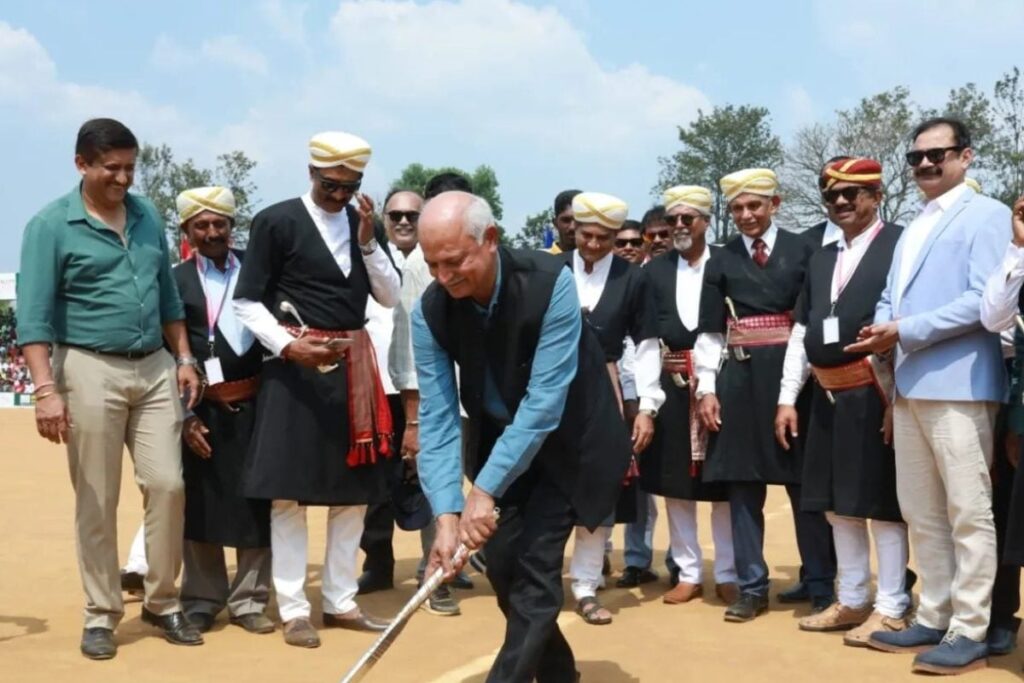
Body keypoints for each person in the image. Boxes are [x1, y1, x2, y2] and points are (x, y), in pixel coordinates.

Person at [415, 191, 632, 682]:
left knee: (534, 569)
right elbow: (439, 417)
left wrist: (485, 492)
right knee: (504, 567)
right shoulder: (429, 311)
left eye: (454, 262)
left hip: (571, 443)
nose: (443, 277)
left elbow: (543, 404)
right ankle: (559, 674)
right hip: (501, 447)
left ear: (489, 240)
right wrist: (447, 513)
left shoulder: (549, 282)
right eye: (432, 265)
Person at [16, 118, 204, 658]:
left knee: (168, 485)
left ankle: (163, 601)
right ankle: (101, 613)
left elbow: (169, 298)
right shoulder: (50, 226)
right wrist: (46, 390)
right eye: (111, 169)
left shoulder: (147, 216)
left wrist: (184, 357)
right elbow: (33, 319)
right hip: (87, 367)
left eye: (130, 168)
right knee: (97, 498)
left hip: (153, 367)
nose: (123, 179)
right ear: (82, 164)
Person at [849, 117, 1009, 674]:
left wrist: (905, 330)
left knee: (968, 509)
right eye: (915, 157)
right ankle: (935, 614)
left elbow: (984, 302)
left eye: (935, 155)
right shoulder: (913, 224)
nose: (923, 165)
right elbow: (891, 295)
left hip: (961, 383)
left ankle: (972, 627)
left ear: (965, 157)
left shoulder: (986, 215)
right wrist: (882, 330)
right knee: (920, 510)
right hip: (911, 382)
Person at [232, 131, 400, 648]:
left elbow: (389, 295)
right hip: (296, 369)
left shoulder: (361, 223)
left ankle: (341, 601)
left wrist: (370, 241)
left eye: (351, 187)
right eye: (331, 185)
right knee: (290, 495)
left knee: (351, 496)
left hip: (353, 365)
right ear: (311, 173)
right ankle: (293, 608)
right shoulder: (276, 221)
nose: (341, 196)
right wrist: (287, 347)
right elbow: (247, 302)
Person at [774, 158, 911, 644]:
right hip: (827, 395)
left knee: (882, 503)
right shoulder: (821, 256)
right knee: (836, 504)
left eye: (852, 193)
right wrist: (788, 398)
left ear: (876, 194)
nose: (841, 203)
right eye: (832, 196)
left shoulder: (900, 244)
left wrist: (899, 399)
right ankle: (851, 599)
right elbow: (802, 330)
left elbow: (908, 323)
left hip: (878, 390)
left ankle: (892, 606)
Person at [694, 168, 836, 622]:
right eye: (737, 208)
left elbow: (812, 320)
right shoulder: (720, 260)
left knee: (804, 488)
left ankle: (819, 583)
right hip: (738, 382)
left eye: (755, 205)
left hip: (796, 384)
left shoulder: (806, 250)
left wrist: (794, 388)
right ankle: (752, 587)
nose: (746, 215)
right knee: (741, 487)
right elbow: (711, 333)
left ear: (775, 204)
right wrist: (707, 389)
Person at [172, 187, 274, 635]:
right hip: (201, 409)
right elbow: (166, 352)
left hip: (258, 404)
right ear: (187, 232)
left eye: (220, 224)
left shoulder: (259, 269)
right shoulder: (174, 279)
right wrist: (184, 416)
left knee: (257, 502)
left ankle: (250, 600)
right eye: (202, 225)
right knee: (200, 504)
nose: (213, 232)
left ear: (233, 227)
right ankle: (200, 598)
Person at [358, 188, 465, 616]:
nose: (403, 222)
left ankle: (433, 573)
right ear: (383, 219)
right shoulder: (367, 260)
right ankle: (378, 563)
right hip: (372, 390)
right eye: (395, 215)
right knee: (375, 487)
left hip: (425, 392)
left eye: (412, 215)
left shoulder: (431, 265)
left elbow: (415, 347)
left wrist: (416, 418)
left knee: (435, 478)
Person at [563, 192, 664, 626]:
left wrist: (647, 406)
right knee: (548, 483)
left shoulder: (633, 278)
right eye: (586, 235)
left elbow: (645, 345)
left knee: (598, 486)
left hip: (604, 390)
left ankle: (586, 585)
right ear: (573, 230)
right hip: (549, 388)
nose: (594, 245)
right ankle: (544, 576)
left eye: (604, 238)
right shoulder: (552, 271)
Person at [641, 185, 736, 605]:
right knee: (676, 484)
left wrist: (711, 384)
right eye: (673, 219)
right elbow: (644, 339)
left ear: (706, 221)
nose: (679, 226)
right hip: (672, 387)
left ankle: (730, 572)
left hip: (724, 385)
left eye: (688, 219)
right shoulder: (653, 271)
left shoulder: (728, 262)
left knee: (724, 485)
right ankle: (689, 571)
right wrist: (647, 399)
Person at [978, 191, 1024, 660]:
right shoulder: (1015, 257)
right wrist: (1019, 250)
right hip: (1016, 391)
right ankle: (1001, 613)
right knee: (1007, 509)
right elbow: (993, 317)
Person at [548, 189, 582, 255]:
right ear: (555, 223)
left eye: (578, 221)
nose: (572, 227)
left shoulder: (602, 261)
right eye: (566, 220)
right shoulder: (540, 262)